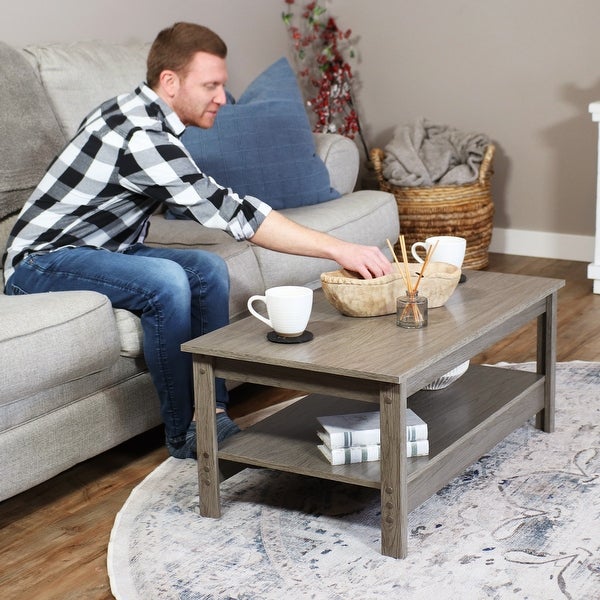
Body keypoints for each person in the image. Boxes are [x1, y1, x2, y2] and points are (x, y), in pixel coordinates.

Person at [2, 22, 392, 459]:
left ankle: (213, 413)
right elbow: (233, 214)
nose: (222, 98)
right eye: (211, 85)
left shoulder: (148, 118)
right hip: (38, 263)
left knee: (207, 270)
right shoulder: (141, 135)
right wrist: (339, 249)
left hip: (104, 249)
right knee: (167, 281)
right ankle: (186, 435)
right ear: (169, 81)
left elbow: (209, 198)